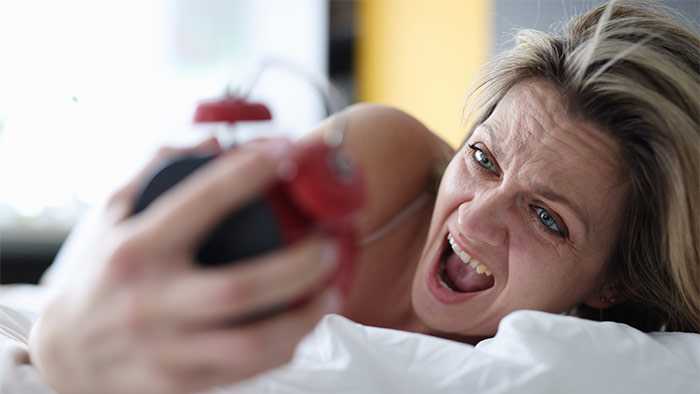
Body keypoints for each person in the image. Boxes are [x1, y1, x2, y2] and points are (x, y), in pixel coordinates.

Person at [27, 1, 700, 393]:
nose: (477, 213)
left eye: (548, 218)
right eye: (484, 158)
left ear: (614, 283)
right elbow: (120, 276)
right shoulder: (380, 172)